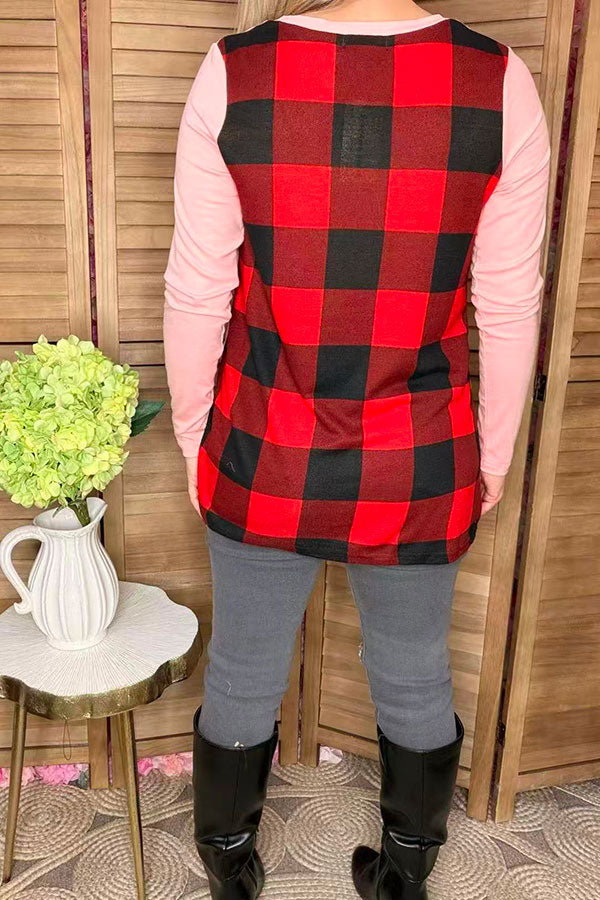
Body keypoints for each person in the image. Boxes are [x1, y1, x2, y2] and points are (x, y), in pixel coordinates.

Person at [163, 0, 551, 897]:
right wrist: (492, 457)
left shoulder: (235, 71)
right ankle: (404, 880)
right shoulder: (500, 82)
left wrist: (192, 436)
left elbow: (196, 289)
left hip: (264, 442)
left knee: (244, 668)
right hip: (419, 452)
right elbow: (508, 303)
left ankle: (229, 873)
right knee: (415, 674)